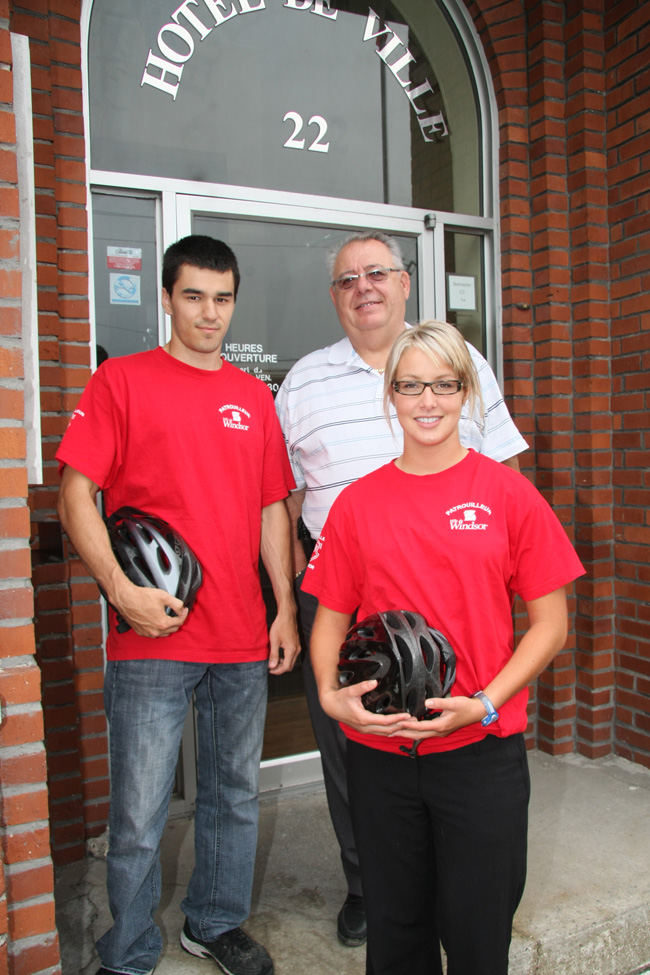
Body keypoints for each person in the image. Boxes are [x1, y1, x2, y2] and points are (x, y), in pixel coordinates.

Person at [303, 321, 585, 975]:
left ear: (466, 391)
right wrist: (328, 692)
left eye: (443, 384)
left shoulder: (508, 494)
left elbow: (551, 624)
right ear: (390, 394)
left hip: (480, 755)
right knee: (396, 938)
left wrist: (484, 702)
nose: (427, 401)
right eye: (410, 385)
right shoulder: (356, 503)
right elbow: (329, 618)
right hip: (381, 758)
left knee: (479, 937)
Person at [274, 230, 529, 946]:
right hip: (346, 588)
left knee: (458, 759)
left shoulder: (463, 360)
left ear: (405, 282)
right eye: (349, 279)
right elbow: (284, 499)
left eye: (378, 272)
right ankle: (370, 883)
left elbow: (507, 475)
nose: (365, 288)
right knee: (354, 747)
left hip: (452, 576)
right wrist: (294, 595)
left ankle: (463, 878)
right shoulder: (305, 381)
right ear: (335, 296)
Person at [56, 235, 299, 975]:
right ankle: (127, 950)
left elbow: (270, 511)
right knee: (137, 814)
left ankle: (214, 922)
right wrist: (121, 591)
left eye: (222, 298)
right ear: (165, 298)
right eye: (193, 295)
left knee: (233, 796)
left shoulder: (254, 396)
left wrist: (283, 607)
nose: (209, 312)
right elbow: (75, 497)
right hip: (151, 635)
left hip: (237, 636)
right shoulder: (121, 382)